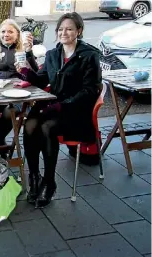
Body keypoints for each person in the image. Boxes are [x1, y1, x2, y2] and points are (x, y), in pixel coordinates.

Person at [17, 12, 101, 208]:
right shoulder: (53, 54)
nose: (64, 33)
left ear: (78, 31)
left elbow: (90, 91)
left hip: (76, 112)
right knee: (29, 124)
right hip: (53, 107)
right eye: (61, 29)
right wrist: (25, 72)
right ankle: (35, 177)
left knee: (46, 128)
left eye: (69, 29)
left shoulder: (89, 56)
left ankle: (49, 181)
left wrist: (63, 104)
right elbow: (42, 79)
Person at [0, 19, 39, 158]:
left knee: (8, 113)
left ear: (17, 34)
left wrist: (28, 54)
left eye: (10, 31)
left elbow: (36, 72)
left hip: (18, 92)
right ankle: (2, 143)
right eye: (3, 31)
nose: (6, 34)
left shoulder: (23, 49)